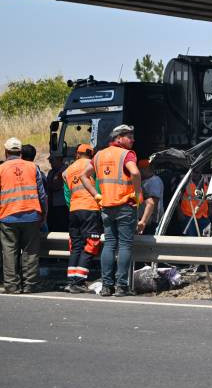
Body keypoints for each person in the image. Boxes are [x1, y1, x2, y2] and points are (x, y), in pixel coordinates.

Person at [81, 125, 141, 297]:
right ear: (119, 138)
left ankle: (107, 286)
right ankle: (122, 286)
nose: (133, 139)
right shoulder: (126, 154)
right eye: (129, 136)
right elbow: (135, 173)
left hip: (106, 207)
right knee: (125, 245)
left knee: (109, 244)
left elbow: (84, 176)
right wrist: (137, 196)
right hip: (125, 206)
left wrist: (96, 195)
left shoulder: (99, 154)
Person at [0, 137, 47, 294]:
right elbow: (42, 195)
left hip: (8, 216)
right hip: (31, 215)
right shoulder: (33, 167)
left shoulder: (1, 169)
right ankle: (30, 284)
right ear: (20, 152)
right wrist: (44, 214)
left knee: (9, 251)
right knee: (30, 251)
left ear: (6, 152)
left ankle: (12, 286)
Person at [63, 143, 101, 293]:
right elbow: (98, 186)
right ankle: (79, 280)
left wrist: (72, 205)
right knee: (91, 244)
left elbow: (67, 194)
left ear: (77, 155)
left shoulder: (68, 170)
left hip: (74, 210)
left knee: (76, 246)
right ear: (92, 154)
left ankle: (71, 281)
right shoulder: (93, 165)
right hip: (90, 209)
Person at [137, 159, 165, 235]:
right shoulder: (144, 181)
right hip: (145, 219)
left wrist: (146, 220)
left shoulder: (155, 181)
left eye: (139, 170)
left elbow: (154, 202)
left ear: (144, 169)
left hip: (152, 220)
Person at [45, 153, 70, 233]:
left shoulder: (65, 170)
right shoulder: (51, 172)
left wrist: (51, 185)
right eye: (50, 161)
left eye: (52, 161)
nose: (51, 163)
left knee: (62, 226)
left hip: (62, 204)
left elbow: (56, 185)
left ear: (59, 160)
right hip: (52, 204)